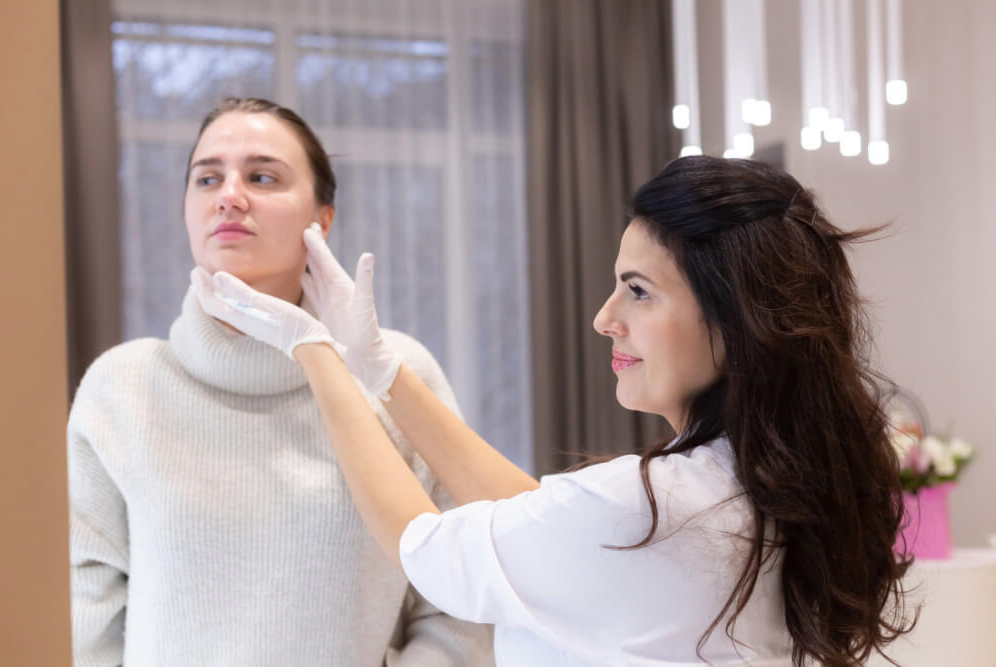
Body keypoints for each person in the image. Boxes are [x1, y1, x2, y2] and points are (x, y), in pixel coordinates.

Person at [193, 155, 916, 666]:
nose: (605, 318)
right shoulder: (760, 490)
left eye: (638, 290)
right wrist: (382, 371)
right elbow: (548, 521)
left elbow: (424, 544)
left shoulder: (653, 508)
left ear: (735, 319)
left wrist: (316, 351)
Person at [67, 97, 494, 666]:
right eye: (207, 178)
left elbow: (463, 596)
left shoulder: (396, 375)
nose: (229, 195)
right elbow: (83, 611)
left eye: (262, 176)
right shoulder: (122, 386)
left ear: (321, 219)